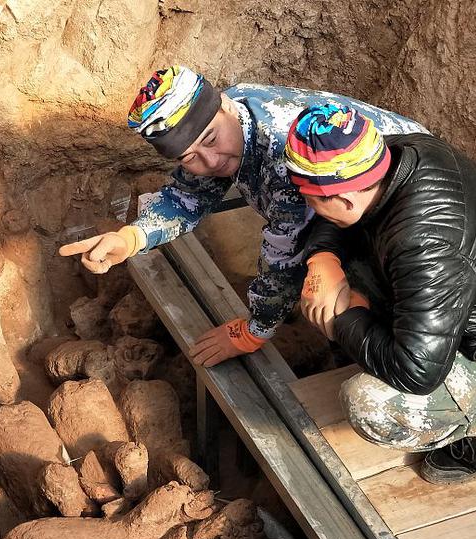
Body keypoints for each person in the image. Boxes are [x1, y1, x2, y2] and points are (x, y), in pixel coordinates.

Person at [58, 65, 427, 366]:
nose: (211, 161)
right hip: (354, 207)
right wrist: (130, 238)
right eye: (189, 157)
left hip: (408, 210)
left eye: (212, 140)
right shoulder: (218, 120)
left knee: (339, 302)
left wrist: (253, 331)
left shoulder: (284, 152)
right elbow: (187, 195)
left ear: (225, 106)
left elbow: (285, 256)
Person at [284, 103, 476, 483]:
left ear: (346, 198)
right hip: (465, 298)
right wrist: (322, 258)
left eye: (311, 199)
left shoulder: (425, 244)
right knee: (331, 275)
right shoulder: (402, 152)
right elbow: (335, 216)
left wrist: (345, 321)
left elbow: (416, 373)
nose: (309, 207)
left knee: (368, 404)